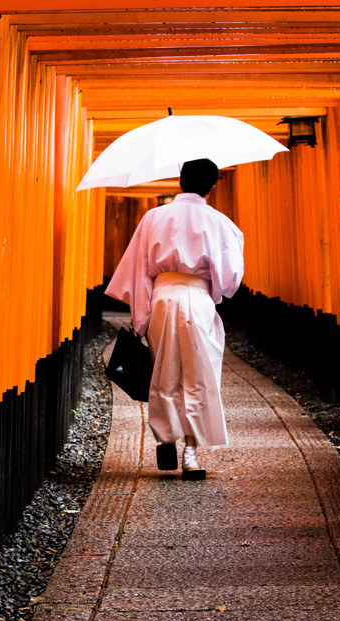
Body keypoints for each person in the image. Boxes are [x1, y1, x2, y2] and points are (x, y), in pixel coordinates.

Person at [105, 159, 245, 480]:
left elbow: (139, 271)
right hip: (197, 297)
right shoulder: (220, 222)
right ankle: (191, 454)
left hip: (162, 297)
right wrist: (212, 290)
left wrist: (141, 320)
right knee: (200, 374)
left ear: (180, 180)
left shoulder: (154, 217)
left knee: (164, 370)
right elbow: (230, 279)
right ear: (213, 185)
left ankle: (166, 434)